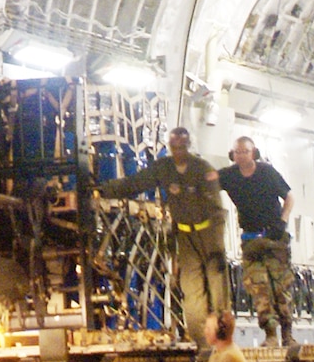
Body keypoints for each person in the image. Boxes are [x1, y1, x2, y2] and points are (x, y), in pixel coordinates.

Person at [94, 124, 230, 340]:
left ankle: (223, 339)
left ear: (189, 146)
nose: (178, 152)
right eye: (174, 147)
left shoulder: (203, 169)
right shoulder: (164, 168)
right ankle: (202, 344)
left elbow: (217, 211)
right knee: (192, 292)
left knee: (217, 289)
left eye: (182, 147)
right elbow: (135, 183)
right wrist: (103, 190)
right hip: (185, 237)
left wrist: (216, 247)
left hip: (208, 235)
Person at [219, 137, 295, 347]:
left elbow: (289, 197)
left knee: (281, 288)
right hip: (251, 241)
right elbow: (205, 181)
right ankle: (270, 334)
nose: (241, 155)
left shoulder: (267, 172)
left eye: (245, 151)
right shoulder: (229, 176)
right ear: (232, 155)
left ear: (254, 153)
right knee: (259, 289)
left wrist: (282, 221)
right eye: (237, 152)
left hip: (274, 239)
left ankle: (287, 334)